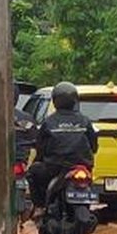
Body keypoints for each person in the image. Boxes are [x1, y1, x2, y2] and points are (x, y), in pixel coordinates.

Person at [27, 82, 97, 211]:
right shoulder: (85, 121)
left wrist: (39, 158)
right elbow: (94, 146)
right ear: (75, 100)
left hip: (55, 168)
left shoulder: (49, 122)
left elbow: (41, 148)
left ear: (55, 101)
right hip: (83, 167)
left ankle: (39, 207)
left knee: (32, 173)